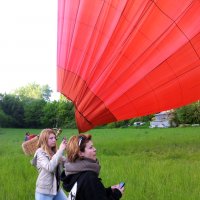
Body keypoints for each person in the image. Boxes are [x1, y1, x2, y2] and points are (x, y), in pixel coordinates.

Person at [61, 134, 124, 200]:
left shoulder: (75, 173)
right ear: (80, 153)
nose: (95, 149)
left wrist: (109, 190)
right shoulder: (89, 177)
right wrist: (117, 194)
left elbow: (89, 194)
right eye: (90, 147)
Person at [31, 128, 68, 200]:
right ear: (44, 140)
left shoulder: (55, 152)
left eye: (54, 137)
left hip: (56, 189)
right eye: (51, 138)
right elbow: (49, 167)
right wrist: (60, 150)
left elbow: (67, 163)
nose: (54, 140)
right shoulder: (40, 152)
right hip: (44, 192)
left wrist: (69, 150)